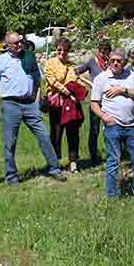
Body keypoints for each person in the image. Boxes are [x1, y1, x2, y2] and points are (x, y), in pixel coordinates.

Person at [0, 31, 66, 186]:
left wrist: (36, 101)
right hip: (10, 104)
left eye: (20, 42)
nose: (19, 45)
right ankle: (11, 176)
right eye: (15, 43)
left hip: (30, 104)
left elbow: (38, 81)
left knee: (44, 135)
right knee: (10, 142)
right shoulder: (0, 61)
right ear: (7, 45)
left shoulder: (29, 57)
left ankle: (54, 169)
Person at [90, 48, 134, 199]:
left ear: (124, 62)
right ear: (108, 61)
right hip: (113, 125)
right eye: (113, 60)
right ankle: (113, 196)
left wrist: (123, 89)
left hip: (132, 124)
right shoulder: (101, 78)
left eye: (119, 61)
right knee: (113, 161)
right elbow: (94, 104)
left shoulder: (131, 75)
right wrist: (104, 117)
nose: (115, 63)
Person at [44, 37, 83, 173]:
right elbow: (51, 80)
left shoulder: (71, 65)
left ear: (69, 51)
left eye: (65, 50)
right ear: (56, 49)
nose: (62, 52)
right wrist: (65, 89)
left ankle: (73, 162)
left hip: (71, 103)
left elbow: (75, 80)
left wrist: (78, 90)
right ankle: (54, 163)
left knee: (73, 132)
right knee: (56, 132)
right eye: (59, 49)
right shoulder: (50, 63)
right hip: (57, 104)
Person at [76, 40, 111, 166]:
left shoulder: (112, 62)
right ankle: (94, 158)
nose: (103, 52)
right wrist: (88, 83)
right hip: (96, 100)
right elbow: (76, 72)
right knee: (94, 130)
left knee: (112, 128)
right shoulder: (92, 62)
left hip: (110, 100)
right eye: (101, 50)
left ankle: (113, 154)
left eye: (105, 50)